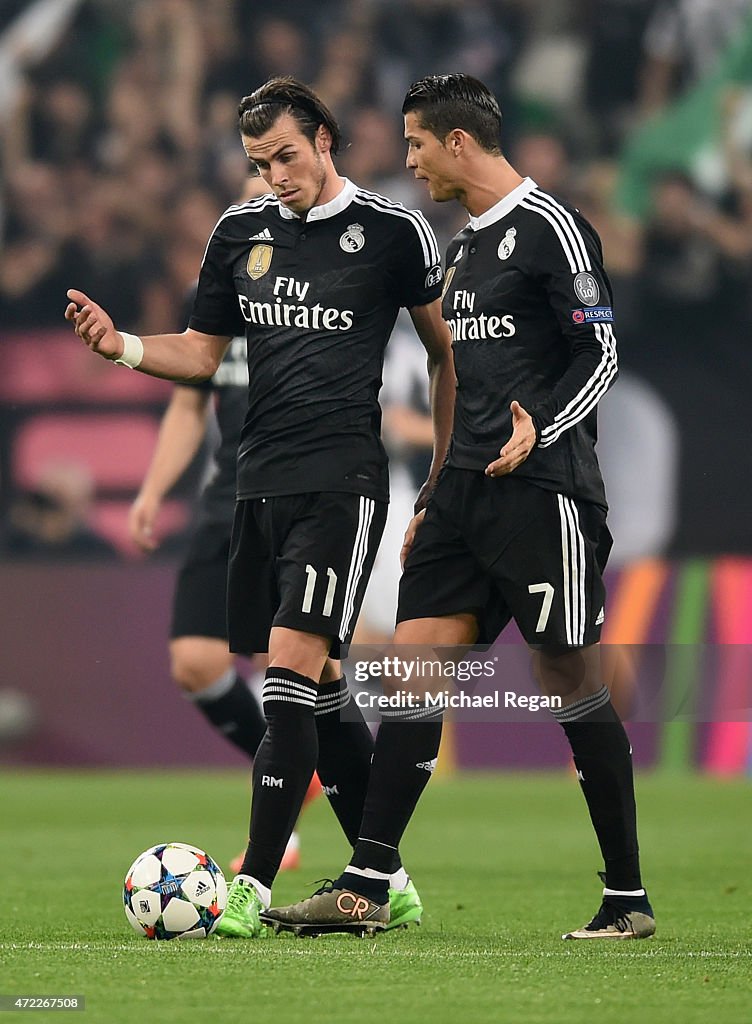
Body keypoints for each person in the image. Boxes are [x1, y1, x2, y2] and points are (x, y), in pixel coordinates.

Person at [263, 73, 655, 941]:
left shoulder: (552, 227)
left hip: (541, 494)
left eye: (414, 144)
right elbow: (459, 380)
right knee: (413, 671)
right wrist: (438, 485)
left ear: (458, 143)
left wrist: (541, 431)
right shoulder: (464, 249)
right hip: (463, 499)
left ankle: (626, 897)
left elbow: (602, 354)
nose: (408, 160)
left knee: (568, 680)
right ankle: (368, 881)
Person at [65, 76, 455, 939]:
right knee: (317, 688)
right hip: (255, 484)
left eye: (285, 156)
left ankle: (246, 890)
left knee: (286, 665)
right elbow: (200, 354)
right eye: (257, 162)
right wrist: (124, 346)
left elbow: (441, 351)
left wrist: (442, 468)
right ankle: (383, 875)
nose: (274, 175)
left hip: (342, 485)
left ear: (324, 138)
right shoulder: (238, 233)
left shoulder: (395, 231)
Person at [128, 172, 318, 872]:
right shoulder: (213, 287)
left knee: (295, 673)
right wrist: (153, 489)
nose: (254, 206)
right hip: (224, 496)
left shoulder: (314, 288)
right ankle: (305, 778)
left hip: (296, 493)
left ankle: (350, 851)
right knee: (195, 661)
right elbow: (186, 402)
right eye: (245, 197)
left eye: (267, 196)